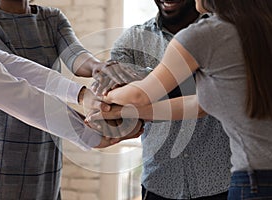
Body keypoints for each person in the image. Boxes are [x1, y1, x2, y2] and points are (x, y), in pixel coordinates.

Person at [89, 0, 272, 199]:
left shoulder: (208, 34)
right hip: (161, 181)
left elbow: (140, 95)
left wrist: (107, 96)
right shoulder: (257, 28)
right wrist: (119, 112)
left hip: (230, 181)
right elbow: (196, 104)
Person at [0, 0, 140, 199]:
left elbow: (12, 64)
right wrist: (89, 134)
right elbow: (13, 88)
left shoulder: (51, 17)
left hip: (46, 145)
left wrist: (82, 93)